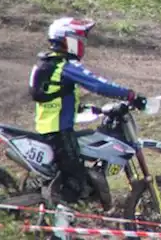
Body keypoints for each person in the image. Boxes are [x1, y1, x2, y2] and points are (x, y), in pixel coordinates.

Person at [29, 17, 147, 205]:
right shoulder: (65, 66)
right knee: (75, 185)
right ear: (67, 40)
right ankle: (60, 230)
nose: (82, 44)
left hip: (48, 129)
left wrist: (90, 109)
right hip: (60, 131)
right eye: (79, 40)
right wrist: (130, 94)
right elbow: (98, 84)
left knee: (69, 175)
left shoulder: (45, 63)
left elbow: (55, 96)